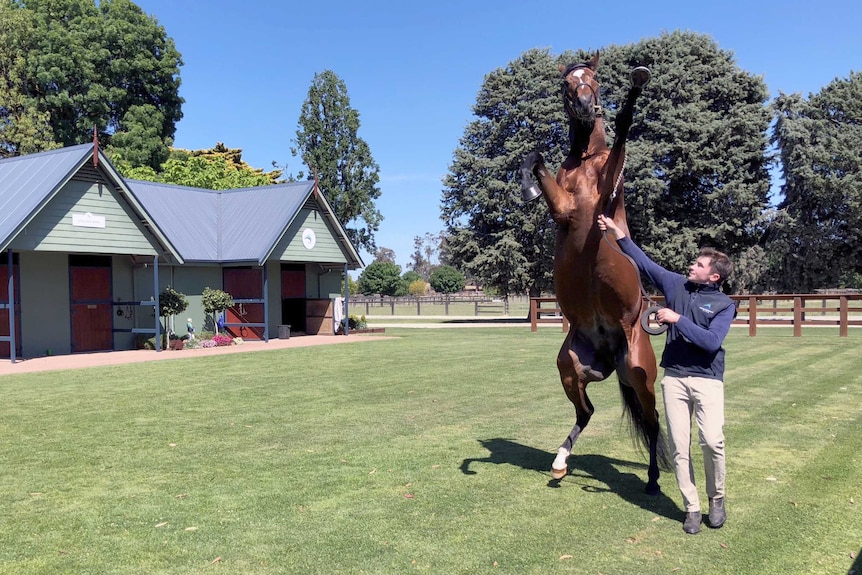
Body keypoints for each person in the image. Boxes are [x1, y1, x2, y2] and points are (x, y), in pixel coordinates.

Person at [597, 214, 736, 535]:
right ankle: (692, 508)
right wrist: (619, 233)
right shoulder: (675, 284)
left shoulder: (724, 305)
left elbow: (711, 342)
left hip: (707, 380)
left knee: (713, 441)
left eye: (699, 265)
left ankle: (716, 498)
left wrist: (676, 319)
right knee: (678, 447)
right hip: (674, 379)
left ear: (713, 276)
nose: (692, 266)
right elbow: (644, 264)